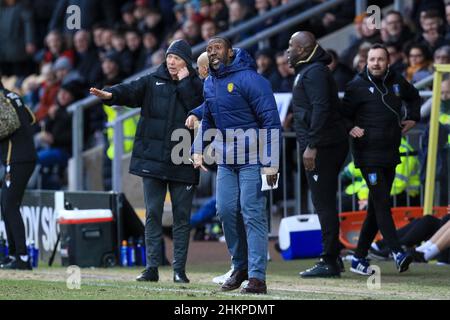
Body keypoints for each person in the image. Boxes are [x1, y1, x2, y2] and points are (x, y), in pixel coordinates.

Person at [90, 39, 204, 284]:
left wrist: (184, 82)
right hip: (152, 160)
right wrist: (111, 94)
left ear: (187, 61)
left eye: (177, 58)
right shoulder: (153, 80)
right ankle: (152, 267)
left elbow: (197, 107)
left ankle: (179, 270)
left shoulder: (197, 84)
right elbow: (130, 91)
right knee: (152, 214)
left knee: (181, 218)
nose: (171, 61)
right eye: (169, 57)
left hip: (183, 159)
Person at [191, 37, 281, 294]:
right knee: (225, 211)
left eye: (217, 47)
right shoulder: (209, 82)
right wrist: (197, 150)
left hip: (252, 158)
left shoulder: (251, 79)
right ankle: (239, 266)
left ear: (230, 52)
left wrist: (271, 162)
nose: (212, 52)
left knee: (251, 212)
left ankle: (257, 277)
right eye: (208, 49)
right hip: (226, 160)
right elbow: (207, 119)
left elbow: (270, 120)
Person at [340, 43, 421, 275]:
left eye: (380, 59)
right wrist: (351, 128)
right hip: (367, 155)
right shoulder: (356, 86)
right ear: (366, 61)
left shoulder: (397, 82)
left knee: (376, 208)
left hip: (390, 153)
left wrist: (413, 118)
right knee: (381, 202)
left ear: (388, 62)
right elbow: (343, 115)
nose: (376, 63)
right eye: (372, 59)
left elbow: (414, 97)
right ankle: (397, 251)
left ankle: (357, 258)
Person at [287, 31, 348, 278]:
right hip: (323, 143)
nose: (287, 50)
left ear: (303, 49)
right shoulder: (309, 70)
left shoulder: (315, 73)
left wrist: (312, 145)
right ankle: (334, 255)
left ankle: (330, 259)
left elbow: (321, 108)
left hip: (323, 146)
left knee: (323, 204)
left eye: (291, 46)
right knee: (323, 202)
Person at [0, 78, 36, 270]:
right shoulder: (12, 95)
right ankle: (14, 255)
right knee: (6, 203)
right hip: (23, 155)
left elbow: (10, 124)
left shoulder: (1, 98)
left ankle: (21, 257)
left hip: (16, 158)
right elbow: (31, 118)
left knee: (9, 204)